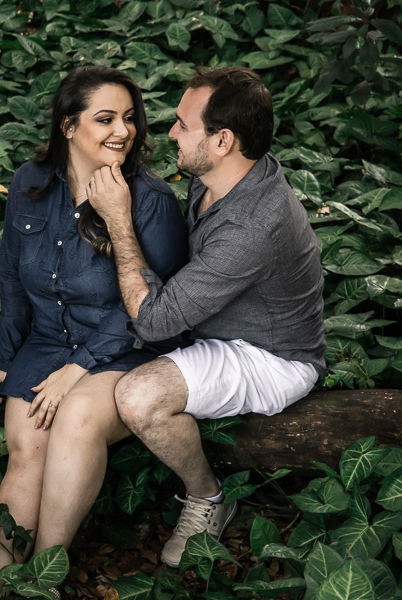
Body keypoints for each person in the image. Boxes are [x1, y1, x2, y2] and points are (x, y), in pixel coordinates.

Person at [86, 66, 326, 568]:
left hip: (269, 355)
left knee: (138, 397)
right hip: (211, 325)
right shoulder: (221, 174)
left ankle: (208, 498)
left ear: (222, 140)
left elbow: (153, 322)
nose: (170, 132)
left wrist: (118, 220)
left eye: (182, 124)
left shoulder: (253, 225)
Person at [0, 66, 188, 597]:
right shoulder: (30, 182)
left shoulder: (152, 200)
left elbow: (153, 308)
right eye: (106, 118)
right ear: (69, 127)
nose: (124, 130)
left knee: (74, 415)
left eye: (129, 118)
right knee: (26, 446)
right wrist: (8, 355)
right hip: (46, 342)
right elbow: (11, 275)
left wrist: (79, 367)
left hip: (129, 348)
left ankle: (45, 573)